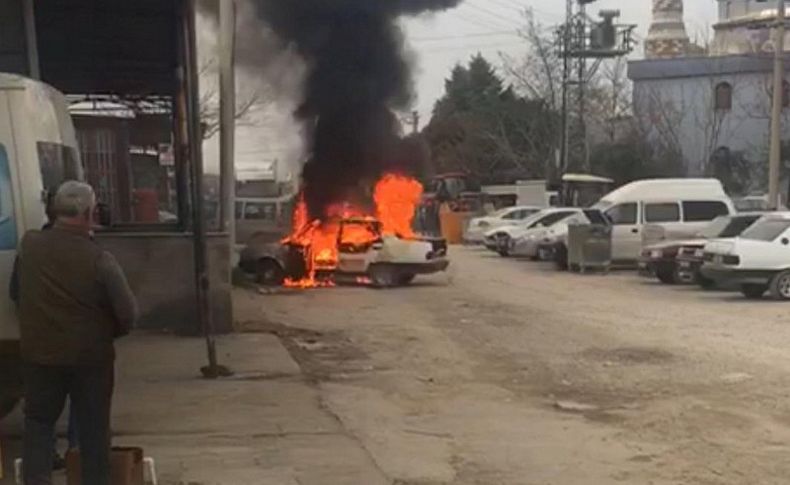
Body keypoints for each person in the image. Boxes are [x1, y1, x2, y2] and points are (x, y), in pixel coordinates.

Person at [15, 181, 138, 485]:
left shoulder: (29, 246)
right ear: (88, 213)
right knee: (93, 430)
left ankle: (37, 480)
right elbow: (128, 313)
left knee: (39, 423)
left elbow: (16, 292)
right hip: (90, 359)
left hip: (40, 355)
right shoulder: (100, 259)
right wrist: (109, 333)